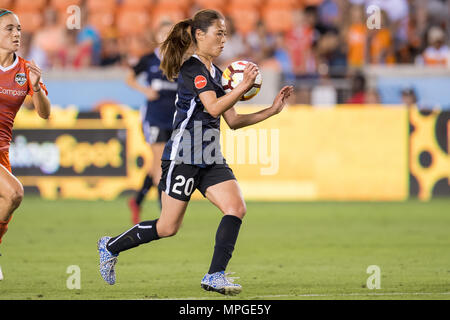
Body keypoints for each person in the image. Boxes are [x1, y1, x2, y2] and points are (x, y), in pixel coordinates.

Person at [97, 9, 293, 295]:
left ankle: (215, 275)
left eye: (226, 33)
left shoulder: (216, 71)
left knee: (236, 207)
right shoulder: (192, 68)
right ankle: (110, 245)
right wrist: (242, 86)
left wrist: (271, 110)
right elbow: (213, 107)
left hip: (210, 153)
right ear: (199, 35)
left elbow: (234, 120)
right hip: (184, 153)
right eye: (218, 33)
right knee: (167, 228)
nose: (224, 39)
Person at [0, 9, 50, 278]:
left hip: (2, 152)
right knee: (15, 192)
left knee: (9, 201)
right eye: (9, 28)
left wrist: (37, 87)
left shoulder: (25, 69)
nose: (16, 33)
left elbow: (44, 113)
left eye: (18, 28)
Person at [126, 21, 177, 225]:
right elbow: (129, 78)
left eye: (169, 33)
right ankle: (164, 213)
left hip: (173, 118)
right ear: (157, 36)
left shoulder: (179, 60)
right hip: (154, 117)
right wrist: (146, 91)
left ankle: (137, 201)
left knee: (158, 164)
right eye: (163, 33)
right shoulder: (148, 59)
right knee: (161, 165)